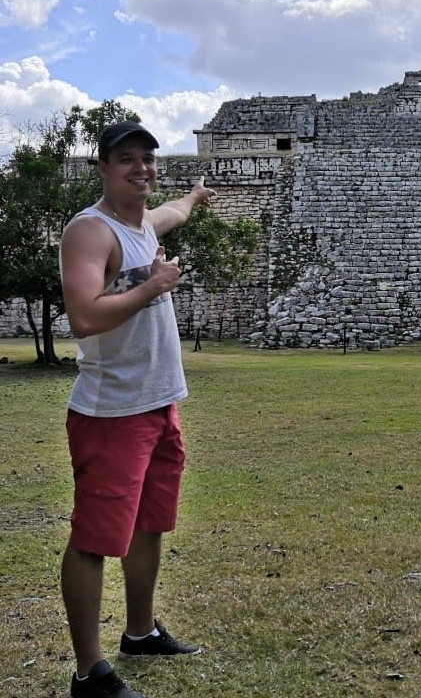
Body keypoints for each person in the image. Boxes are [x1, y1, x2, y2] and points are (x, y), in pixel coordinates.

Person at [59, 121, 216, 698]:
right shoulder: (90, 232)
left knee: (151, 523)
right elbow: (84, 316)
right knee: (95, 539)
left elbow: (173, 210)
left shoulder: (144, 225)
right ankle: (88, 674)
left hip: (158, 405)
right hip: (111, 414)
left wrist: (195, 198)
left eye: (148, 159)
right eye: (127, 159)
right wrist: (153, 287)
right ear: (102, 167)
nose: (142, 168)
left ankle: (141, 632)